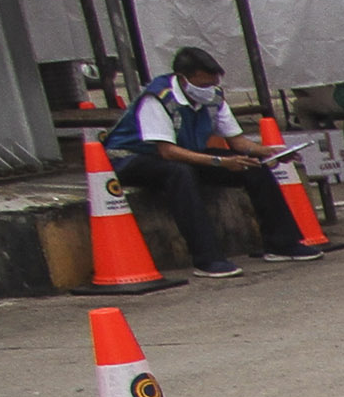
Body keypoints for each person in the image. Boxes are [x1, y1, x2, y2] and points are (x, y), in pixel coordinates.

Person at [114, 48, 328, 276]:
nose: (209, 90)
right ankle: (207, 259)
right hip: (133, 160)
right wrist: (218, 161)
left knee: (253, 166)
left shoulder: (213, 97)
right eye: (203, 84)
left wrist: (267, 152)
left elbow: (236, 142)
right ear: (183, 79)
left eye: (212, 83)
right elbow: (167, 151)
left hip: (183, 153)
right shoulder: (158, 99)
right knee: (180, 174)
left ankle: (282, 244)